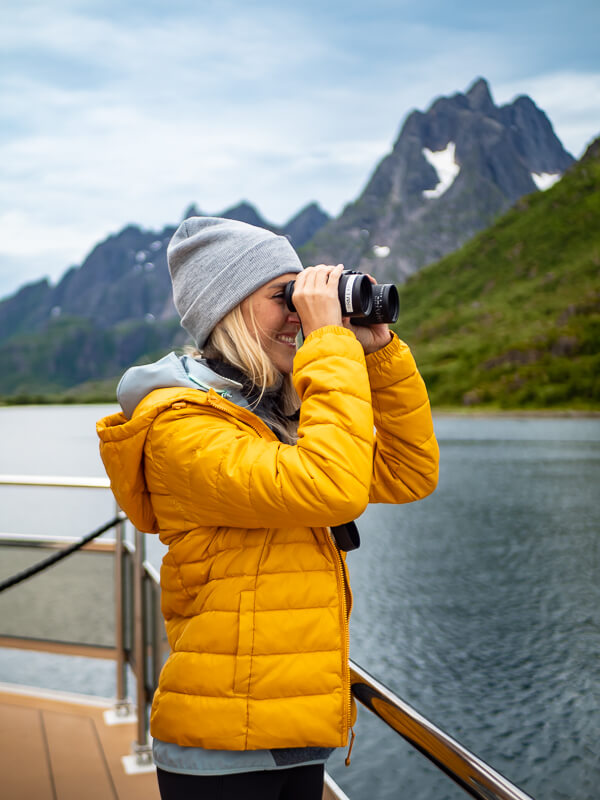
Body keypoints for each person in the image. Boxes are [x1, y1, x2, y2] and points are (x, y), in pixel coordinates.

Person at [97, 216, 439, 800]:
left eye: (302, 295)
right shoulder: (181, 425)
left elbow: (409, 474)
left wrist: (378, 355)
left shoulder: (271, 415)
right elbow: (330, 486)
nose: (301, 315)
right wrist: (330, 343)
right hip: (222, 744)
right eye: (285, 298)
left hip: (292, 729)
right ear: (227, 309)